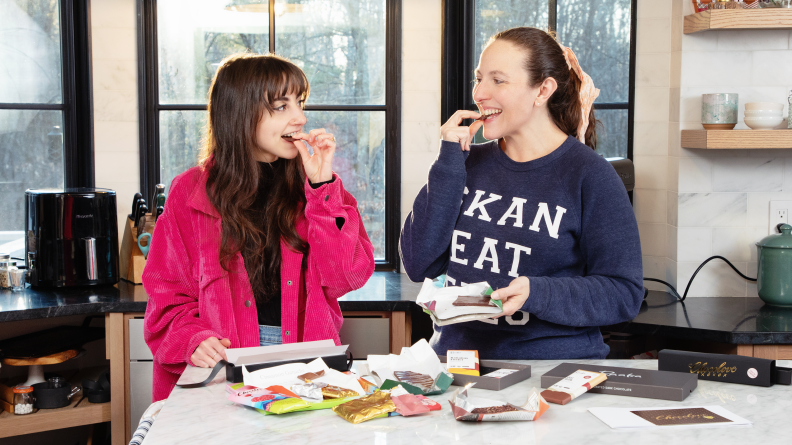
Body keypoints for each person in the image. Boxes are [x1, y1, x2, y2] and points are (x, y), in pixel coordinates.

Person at [400, 27, 643, 360]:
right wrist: (447, 163)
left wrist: (537, 292)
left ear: (542, 90)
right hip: (455, 366)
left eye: (498, 81)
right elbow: (418, 264)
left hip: (550, 371)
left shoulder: (591, 176)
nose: (480, 93)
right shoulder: (463, 165)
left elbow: (623, 294)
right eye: (478, 79)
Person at [143, 53, 375, 401]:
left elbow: (346, 276)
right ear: (240, 113)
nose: (299, 117)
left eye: (300, 102)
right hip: (222, 368)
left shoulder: (316, 187)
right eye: (281, 106)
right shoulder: (188, 193)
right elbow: (166, 297)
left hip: (303, 366)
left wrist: (321, 188)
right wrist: (194, 338)